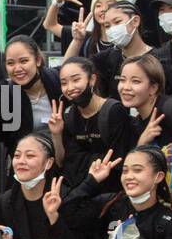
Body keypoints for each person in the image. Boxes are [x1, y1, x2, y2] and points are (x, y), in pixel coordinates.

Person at [49, 57, 132, 186]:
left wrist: (81, 160)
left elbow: (118, 159)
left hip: (109, 190)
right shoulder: (68, 116)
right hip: (80, 189)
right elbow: (62, 163)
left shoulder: (113, 111)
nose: (70, 88)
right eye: (64, 83)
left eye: (76, 80)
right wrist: (56, 134)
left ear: (92, 79)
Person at [117, 54, 172, 152]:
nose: (126, 87)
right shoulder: (136, 124)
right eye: (122, 80)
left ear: (153, 88)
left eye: (135, 81)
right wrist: (142, 143)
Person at [90, 2, 153, 96]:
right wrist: (77, 41)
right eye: (107, 26)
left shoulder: (158, 59)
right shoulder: (104, 59)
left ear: (135, 21)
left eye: (117, 22)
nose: (112, 29)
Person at [3, 35, 62, 136]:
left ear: (38, 60)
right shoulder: (5, 93)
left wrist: (77, 41)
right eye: (10, 63)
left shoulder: (58, 80)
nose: (17, 68)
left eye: (24, 61)